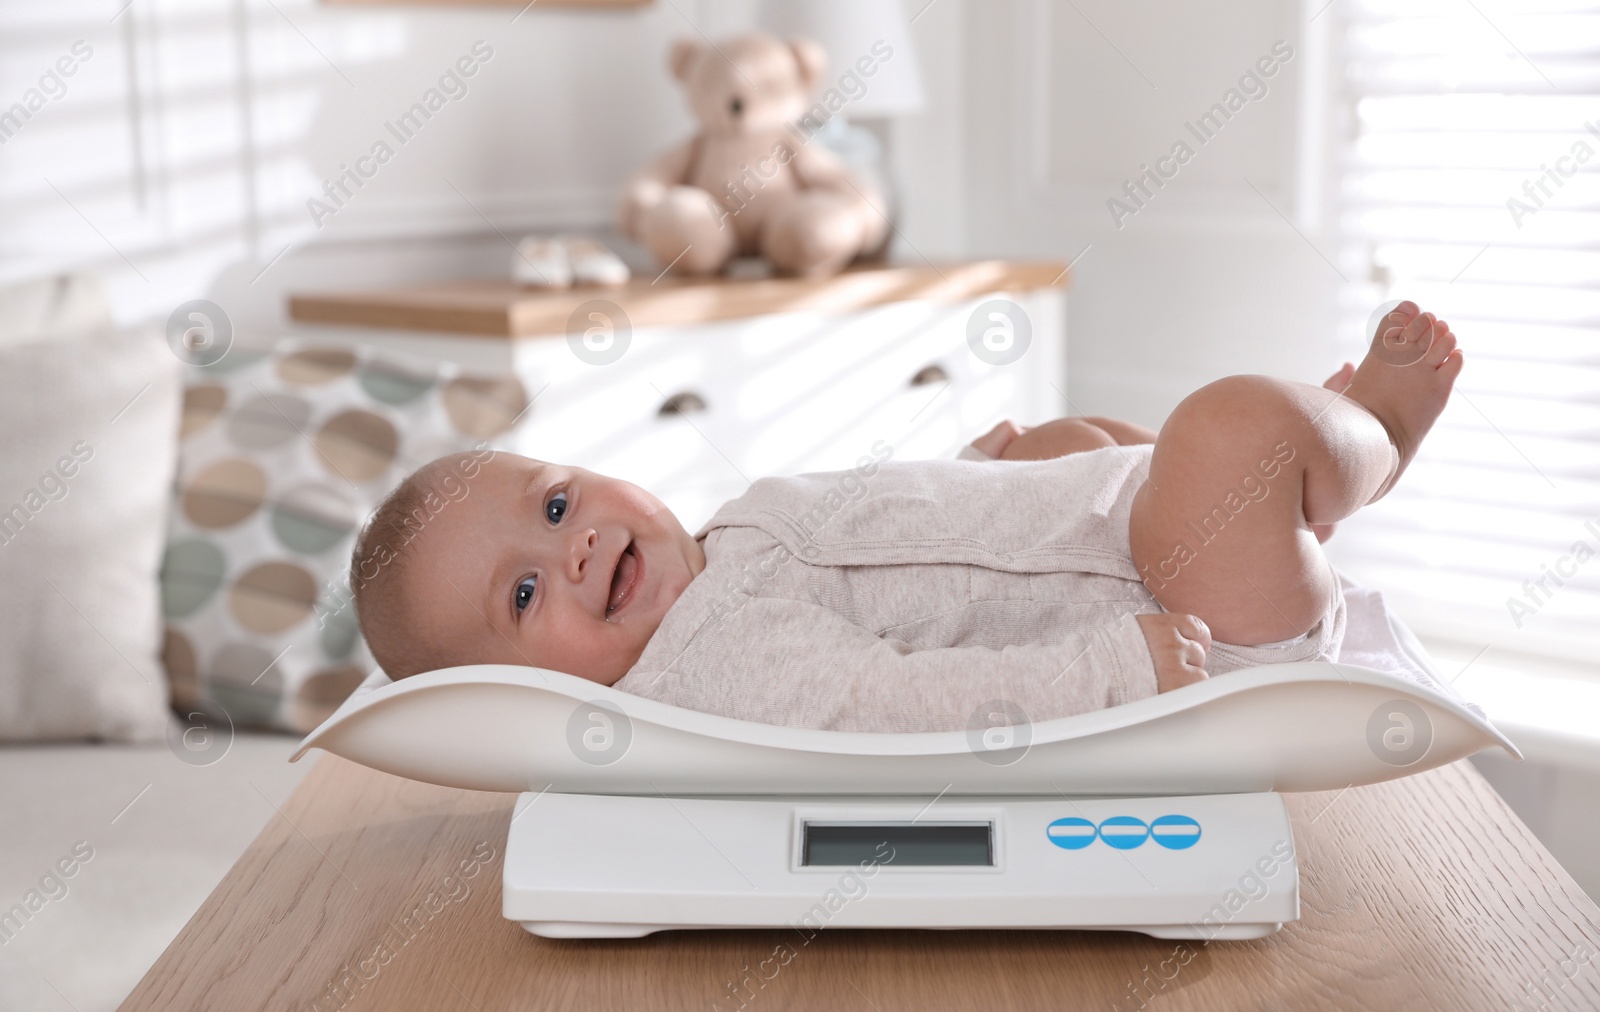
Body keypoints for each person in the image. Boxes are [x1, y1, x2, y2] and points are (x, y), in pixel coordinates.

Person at [348, 301, 1460, 731]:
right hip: (1188, 620)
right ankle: (1371, 438)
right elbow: (897, 703)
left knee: (1073, 440)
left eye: (554, 502)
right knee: (1226, 429)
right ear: (524, 693)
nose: (575, 542)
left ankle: (1294, 489)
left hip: (1121, 546)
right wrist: (1110, 673)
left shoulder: (729, 534)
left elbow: (878, 533)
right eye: (527, 590)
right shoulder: (711, 661)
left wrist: (979, 471)